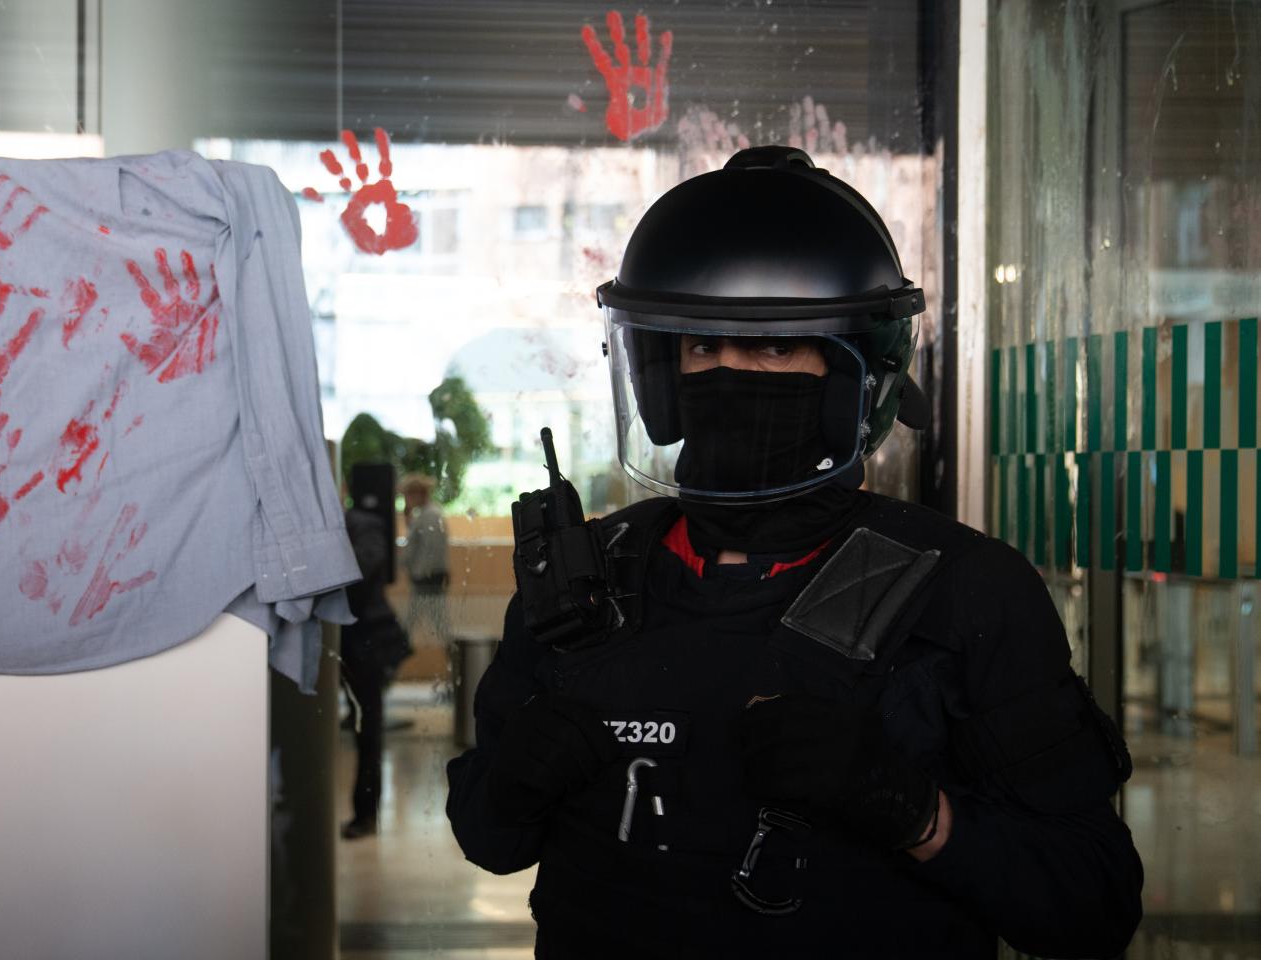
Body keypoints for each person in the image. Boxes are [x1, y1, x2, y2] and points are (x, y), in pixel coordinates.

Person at [444, 147, 1142, 958]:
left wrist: (918, 815)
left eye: (776, 349)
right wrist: (511, 785)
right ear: (658, 376)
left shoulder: (965, 592)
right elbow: (489, 840)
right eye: (701, 350)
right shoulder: (582, 581)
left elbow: (1092, 904)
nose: (729, 374)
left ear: (855, 381)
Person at [341, 477, 412, 840]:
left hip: (368, 643)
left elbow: (366, 568)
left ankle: (366, 816)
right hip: (341, 644)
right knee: (360, 726)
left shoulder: (363, 524)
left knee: (369, 731)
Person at [400, 474, 451, 650]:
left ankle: (456, 659)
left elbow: (431, 549)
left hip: (426, 578)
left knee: (436, 623)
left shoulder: (430, 516)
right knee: (433, 622)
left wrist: (419, 573)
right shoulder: (425, 515)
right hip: (425, 577)